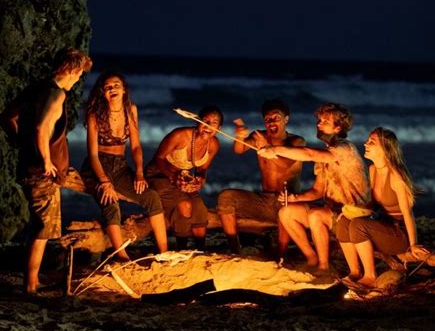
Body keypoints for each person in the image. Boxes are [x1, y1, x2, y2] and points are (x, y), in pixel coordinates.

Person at [8, 47, 93, 294]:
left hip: (31, 165)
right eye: (79, 74)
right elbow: (41, 127)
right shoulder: (56, 94)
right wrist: (45, 159)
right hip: (43, 172)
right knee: (43, 229)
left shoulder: (36, 88)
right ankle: (31, 285)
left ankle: (32, 281)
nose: (79, 79)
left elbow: (7, 117)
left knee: (41, 226)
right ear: (71, 70)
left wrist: (21, 143)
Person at [258, 102, 369, 271]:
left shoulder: (345, 148)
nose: (318, 124)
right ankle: (312, 258)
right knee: (286, 212)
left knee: (316, 215)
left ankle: (323, 267)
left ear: (338, 128)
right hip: (332, 213)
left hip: (353, 214)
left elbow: (308, 154)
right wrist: (295, 198)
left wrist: (275, 150)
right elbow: (317, 191)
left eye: (324, 122)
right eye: (319, 120)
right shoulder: (325, 155)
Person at [82, 71, 168, 260]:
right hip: (97, 166)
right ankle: (122, 257)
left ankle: (164, 252)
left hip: (120, 166)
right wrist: (104, 182)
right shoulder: (95, 114)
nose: (112, 88)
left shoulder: (131, 110)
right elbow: (93, 154)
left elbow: (136, 146)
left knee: (151, 197)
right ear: (102, 92)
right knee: (110, 203)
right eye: (107, 87)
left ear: (123, 89)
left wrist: (138, 172)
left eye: (116, 85)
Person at [336, 127, 428, 289]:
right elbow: (372, 204)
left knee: (359, 225)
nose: (366, 144)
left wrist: (413, 245)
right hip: (382, 226)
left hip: (398, 236)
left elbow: (408, 214)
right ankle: (355, 272)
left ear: (385, 149)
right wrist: (349, 211)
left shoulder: (396, 177)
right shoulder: (373, 170)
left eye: (372, 142)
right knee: (344, 222)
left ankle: (370, 276)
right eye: (368, 140)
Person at [217, 98, 305, 254]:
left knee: (287, 207)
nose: (271, 122)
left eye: (276, 118)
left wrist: (268, 147)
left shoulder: (296, 141)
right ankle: (235, 250)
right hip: (263, 200)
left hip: (286, 200)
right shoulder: (260, 136)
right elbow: (239, 150)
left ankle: (281, 254)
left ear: (286, 119)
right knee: (226, 197)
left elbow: (286, 166)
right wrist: (240, 136)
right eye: (267, 119)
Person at [145, 105, 223, 250]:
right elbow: (159, 158)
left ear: (219, 127)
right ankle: (182, 249)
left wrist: (199, 180)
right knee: (185, 205)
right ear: (197, 121)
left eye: (213, 123)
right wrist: (173, 177)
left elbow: (202, 168)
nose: (208, 126)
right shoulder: (180, 135)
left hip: (181, 178)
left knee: (200, 208)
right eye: (205, 120)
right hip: (158, 175)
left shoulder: (213, 145)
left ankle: (200, 251)